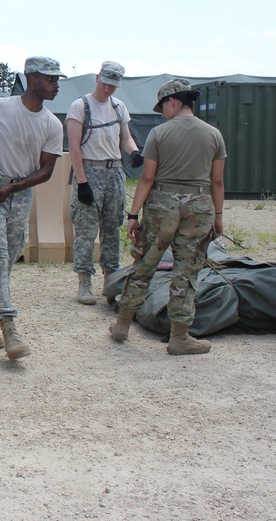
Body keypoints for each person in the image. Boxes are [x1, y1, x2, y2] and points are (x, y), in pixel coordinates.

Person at [0, 56, 65, 359]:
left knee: (3, 264)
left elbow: (46, 171)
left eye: (57, 80)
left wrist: (15, 187)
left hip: (19, 194)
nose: (56, 85)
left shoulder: (52, 124)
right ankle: (9, 328)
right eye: (51, 79)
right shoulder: (0, 107)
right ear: (32, 79)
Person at [109, 78, 225, 355]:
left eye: (162, 106)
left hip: (162, 205)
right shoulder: (214, 134)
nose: (161, 112)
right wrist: (218, 216)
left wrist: (133, 215)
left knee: (145, 264)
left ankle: (122, 325)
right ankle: (180, 336)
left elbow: (147, 177)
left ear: (173, 101)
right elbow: (217, 182)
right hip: (199, 207)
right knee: (187, 271)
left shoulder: (158, 134)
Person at [66, 61, 142, 305]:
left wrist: (134, 152)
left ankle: (111, 281)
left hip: (114, 172)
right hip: (89, 170)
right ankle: (84, 282)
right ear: (98, 77)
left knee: (112, 228)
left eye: (113, 86)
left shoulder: (119, 107)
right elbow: (74, 148)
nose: (108, 89)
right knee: (86, 231)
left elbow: (126, 138)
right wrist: (82, 182)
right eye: (106, 83)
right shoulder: (80, 107)